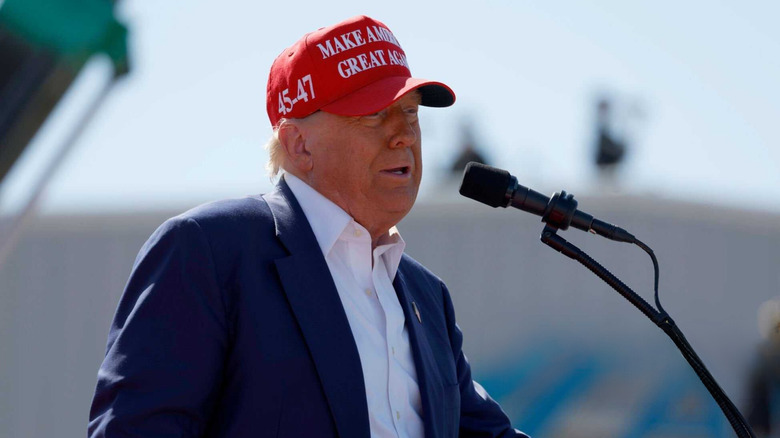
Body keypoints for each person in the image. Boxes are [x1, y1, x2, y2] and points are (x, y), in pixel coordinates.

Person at [88, 15, 528, 438]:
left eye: (410, 113)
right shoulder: (208, 250)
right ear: (299, 144)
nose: (404, 136)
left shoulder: (427, 297)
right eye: (374, 115)